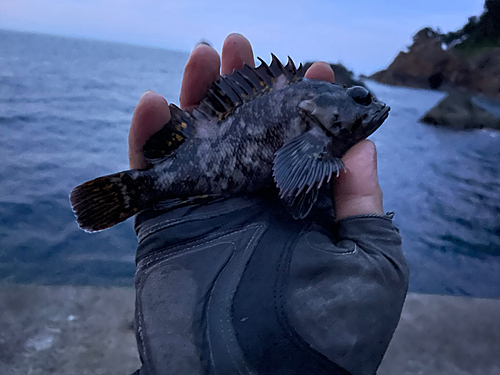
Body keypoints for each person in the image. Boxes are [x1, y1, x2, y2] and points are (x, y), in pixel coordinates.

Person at [128, 34, 409, 375]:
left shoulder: (312, 121)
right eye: (359, 99)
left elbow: (292, 174)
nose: (368, 105)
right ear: (316, 110)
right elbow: (293, 175)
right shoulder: (310, 124)